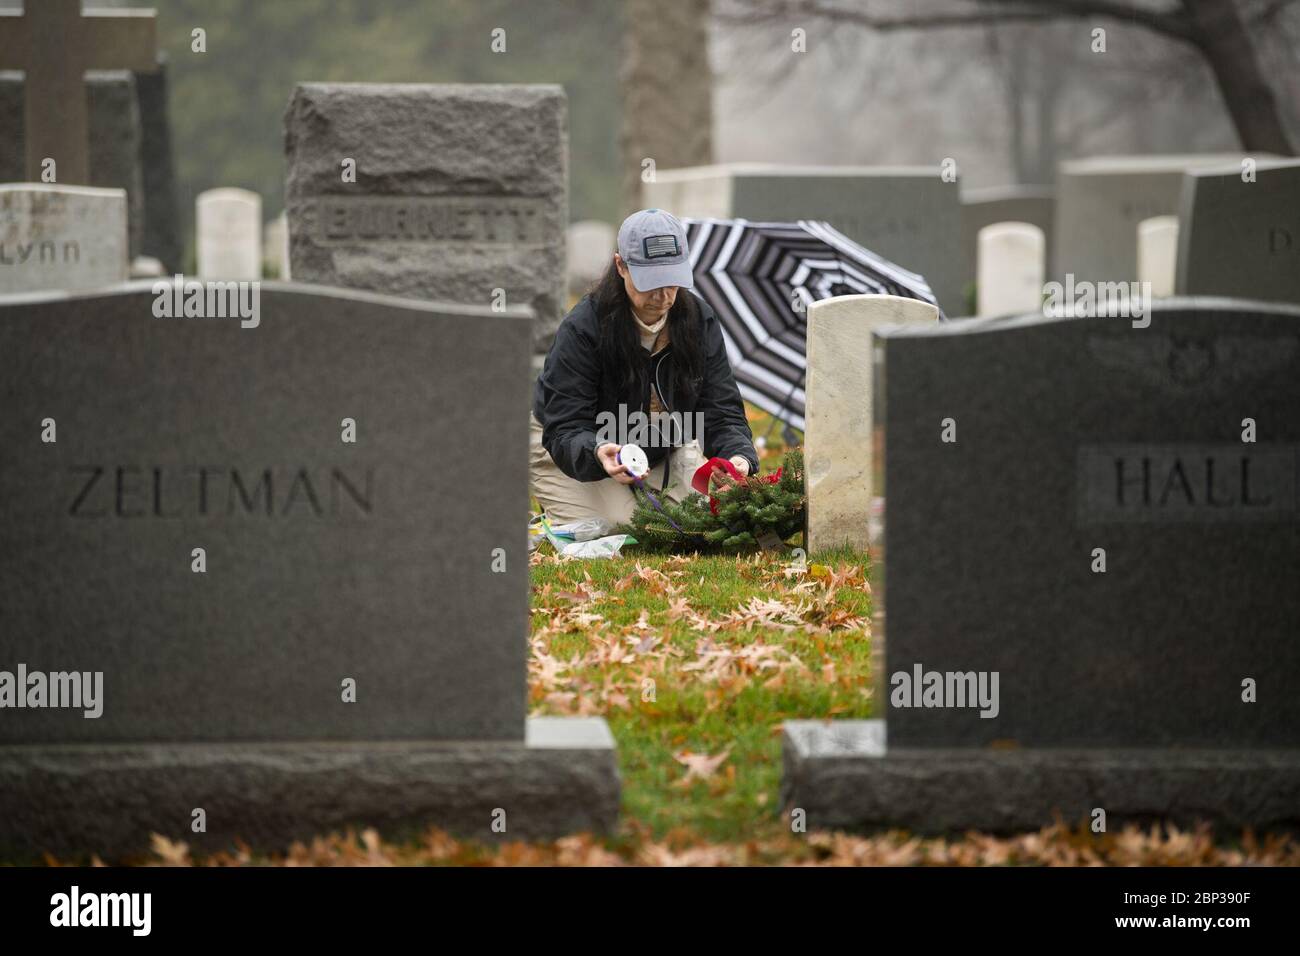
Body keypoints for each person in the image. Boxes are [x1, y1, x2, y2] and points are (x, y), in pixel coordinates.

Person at [531, 208, 758, 527]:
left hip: (659, 441)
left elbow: (721, 410)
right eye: (651, 281)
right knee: (621, 524)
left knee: (707, 518)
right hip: (576, 447)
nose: (663, 295)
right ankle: (562, 498)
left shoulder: (699, 321)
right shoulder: (583, 329)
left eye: (673, 280)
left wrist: (738, 457)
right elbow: (566, 427)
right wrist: (598, 452)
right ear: (620, 266)